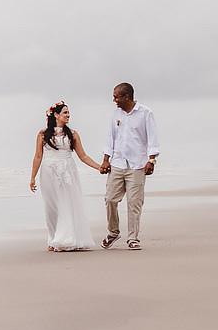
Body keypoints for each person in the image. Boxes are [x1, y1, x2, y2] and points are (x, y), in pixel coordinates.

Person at [30, 101, 102, 251]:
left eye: (68, 112)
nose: (68, 115)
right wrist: (32, 178)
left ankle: (65, 239)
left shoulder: (73, 134)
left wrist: (99, 167)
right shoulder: (43, 134)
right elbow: (38, 156)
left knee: (66, 204)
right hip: (48, 171)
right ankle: (53, 238)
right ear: (55, 115)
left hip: (67, 171)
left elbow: (83, 156)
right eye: (65, 112)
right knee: (51, 206)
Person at [99, 82, 159, 250]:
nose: (114, 100)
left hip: (137, 165)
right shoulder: (116, 113)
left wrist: (151, 160)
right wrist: (106, 159)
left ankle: (133, 238)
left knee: (134, 202)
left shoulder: (146, 113)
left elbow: (152, 138)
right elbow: (110, 138)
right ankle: (113, 232)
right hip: (117, 163)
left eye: (116, 97)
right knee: (110, 199)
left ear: (127, 97)